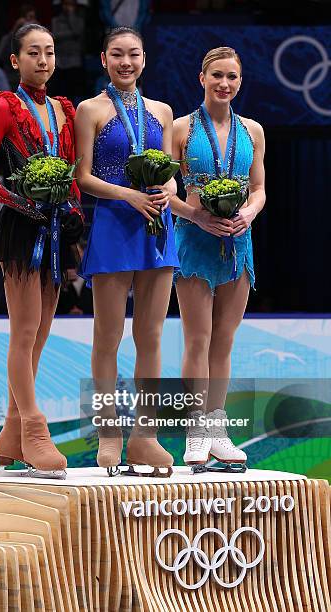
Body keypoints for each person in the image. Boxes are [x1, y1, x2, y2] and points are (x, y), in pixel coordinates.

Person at [0, 23, 83, 477]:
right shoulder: (4, 107)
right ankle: (34, 430)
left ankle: (11, 431)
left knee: (40, 334)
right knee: (24, 330)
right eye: (33, 53)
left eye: (50, 52)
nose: (43, 60)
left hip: (56, 229)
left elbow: (71, 172)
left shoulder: (63, 109)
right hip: (21, 228)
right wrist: (21, 201)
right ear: (14, 61)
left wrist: (73, 206)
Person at [76, 26, 179, 476]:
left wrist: (164, 191)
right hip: (115, 224)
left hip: (157, 224)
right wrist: (128, 196)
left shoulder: (161, 111)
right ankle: (108, 433)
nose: (125, 62)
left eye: (133, 54)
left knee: (151, 336)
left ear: (143, 59)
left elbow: (172, 172)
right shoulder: (90, 109)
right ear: (103, 59)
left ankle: (146, 436)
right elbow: (83, 176)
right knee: (108, 336)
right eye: (117, 54)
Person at [170, 47, 266, 472]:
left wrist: (249, 211)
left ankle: (217, 429)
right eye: (217, 76)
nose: (224, 84)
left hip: (238, 244)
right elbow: (163, 193)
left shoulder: (254, 131)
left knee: (224, 341)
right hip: (194, 241)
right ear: (202, 78)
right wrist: (197, 215)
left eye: (231, 77)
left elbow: (260, 188)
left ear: (240, 82)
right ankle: (195, 429)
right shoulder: (179, 129)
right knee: (197, 339)